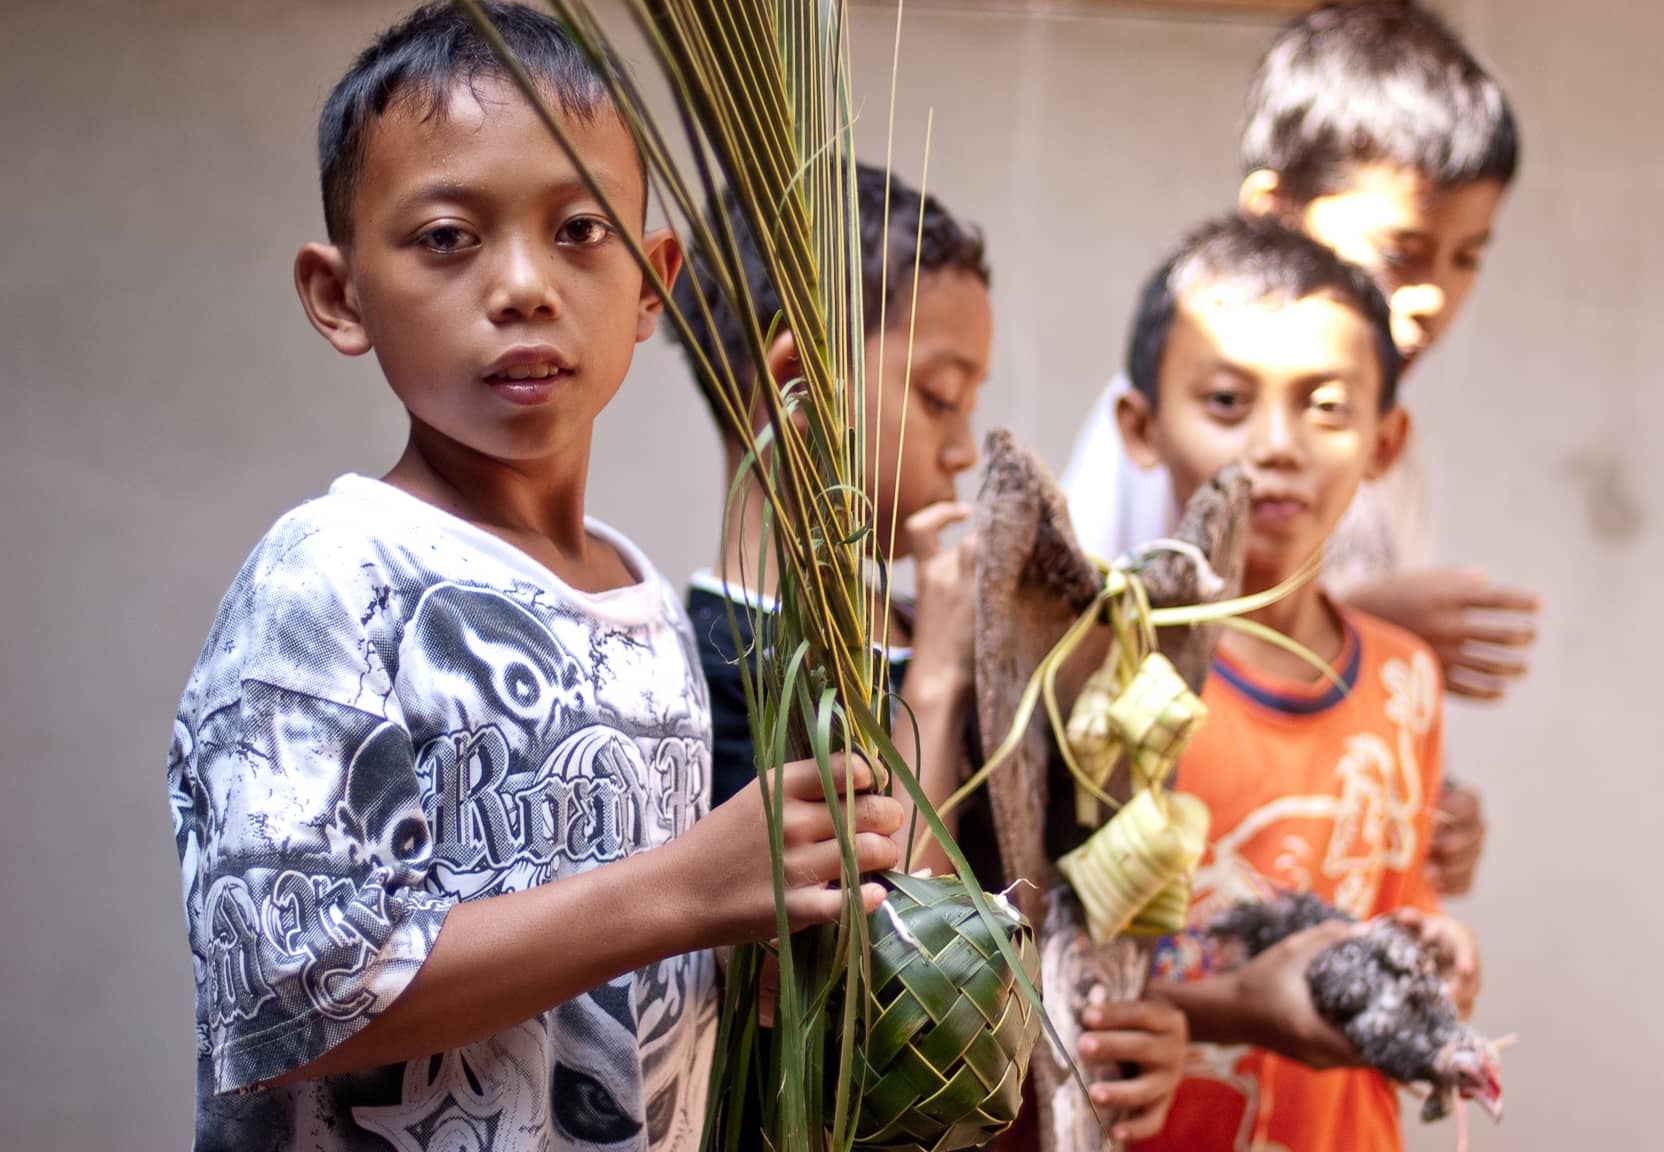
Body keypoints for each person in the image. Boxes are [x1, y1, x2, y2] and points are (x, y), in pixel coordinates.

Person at [164, 5, 903, 1149]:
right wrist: (683, 891)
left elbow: (648, 986)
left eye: (580, 231)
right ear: (339, 293)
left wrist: (774, 928)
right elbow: (283, 995)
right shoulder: (329, 575)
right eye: (449, 237)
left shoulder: (645, 599)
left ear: (654, 281)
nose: (523, 284)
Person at [670, 164, 1187, 1147]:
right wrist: (940, 677)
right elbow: (877, 992)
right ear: (794, 385)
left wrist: (1140, 1022)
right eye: (939, 396)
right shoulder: (715, 666)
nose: (962, 448)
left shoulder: (952, 628)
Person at [1061, 0, 1536, 896]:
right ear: (1276, 213)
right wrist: (1365, 617)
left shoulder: (1392, 447)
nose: (1435, 295)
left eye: (1467, 257)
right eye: (1404, 250)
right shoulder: (1173, 433)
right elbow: (1080, 664)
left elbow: (1368, 715)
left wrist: (1428, 802)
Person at [1100, 215, 1481, 1152]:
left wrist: (1434, 951)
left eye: (1325, 407)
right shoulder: (1101, 666)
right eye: (1228, 402)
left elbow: (1398, 902)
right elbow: (1051, 968)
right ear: (1140, 427)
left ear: (1385, 443)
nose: (1277, 444)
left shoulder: (1404, 680)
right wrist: (1232, 1011)